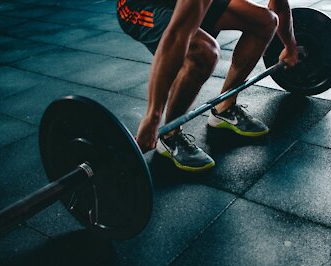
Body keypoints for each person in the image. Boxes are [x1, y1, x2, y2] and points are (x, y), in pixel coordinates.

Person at [117, 0, 298, 172]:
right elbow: (177, 35)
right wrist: (152, 117)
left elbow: (279, 7)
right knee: (205, 51)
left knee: (265, 21)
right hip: (141, 6)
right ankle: (170, 135)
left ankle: (224, 107)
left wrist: (290, 46)